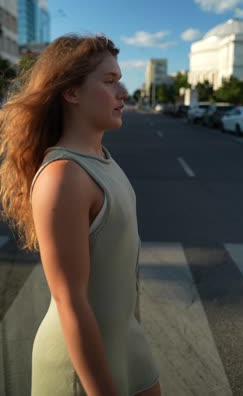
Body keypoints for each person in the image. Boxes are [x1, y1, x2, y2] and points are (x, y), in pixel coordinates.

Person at [0, 34, 162, 396]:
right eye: (109, 82)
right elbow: (70, 299)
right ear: (71, 93)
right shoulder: (64, 176)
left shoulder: (101, 155)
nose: (123, 92)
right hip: (80, 369)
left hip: (126, 342)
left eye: (120, 79)